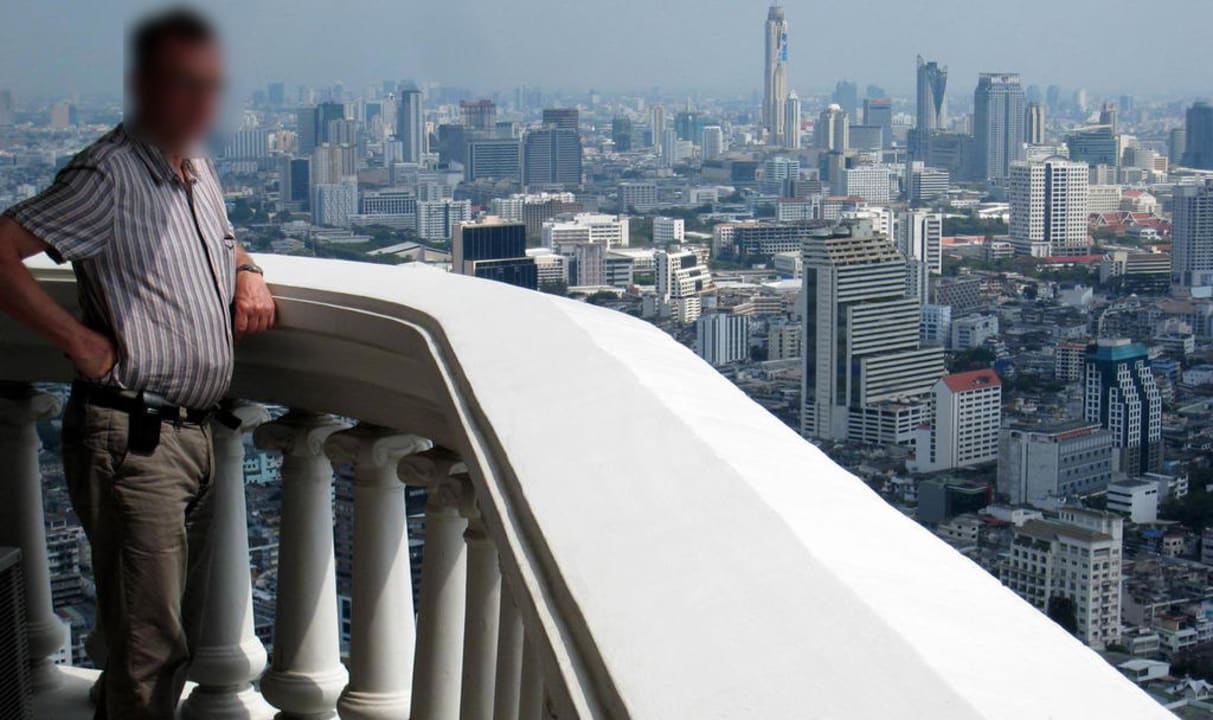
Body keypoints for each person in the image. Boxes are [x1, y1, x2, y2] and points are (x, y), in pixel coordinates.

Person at [0, 8, 275, 718]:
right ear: (145, 85)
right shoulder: (110, 175)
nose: (202, 102)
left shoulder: (196, 167)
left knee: (169, 640)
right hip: (133, 439)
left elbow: (224, 239)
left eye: (211, 86)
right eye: (184, 84)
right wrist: (77, 340)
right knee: (147, 651)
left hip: (192, 436)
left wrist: (247, 271)